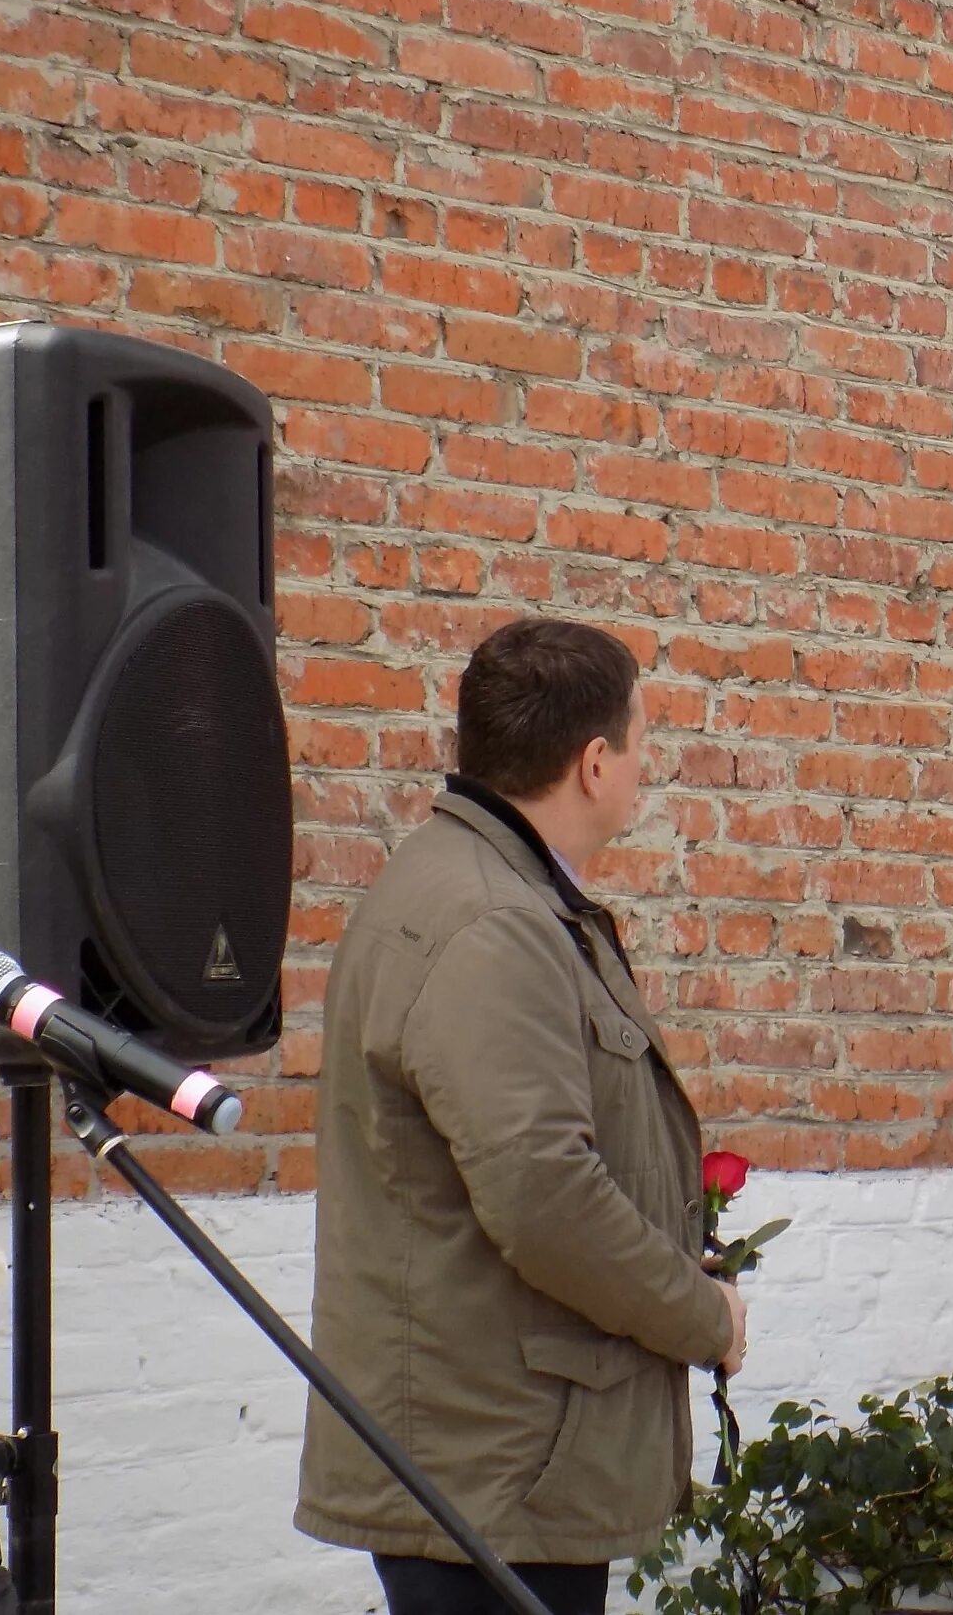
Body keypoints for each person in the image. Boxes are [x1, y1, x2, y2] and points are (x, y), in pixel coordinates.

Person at [296, 619, 746, 1615]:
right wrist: (697, 1312)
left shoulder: (487, 890)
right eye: (638, 743)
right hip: (493, 1469)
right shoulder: (494, 922)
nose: (643, 770)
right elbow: (542, 1194)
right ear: (593, 763)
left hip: (494, 1460)